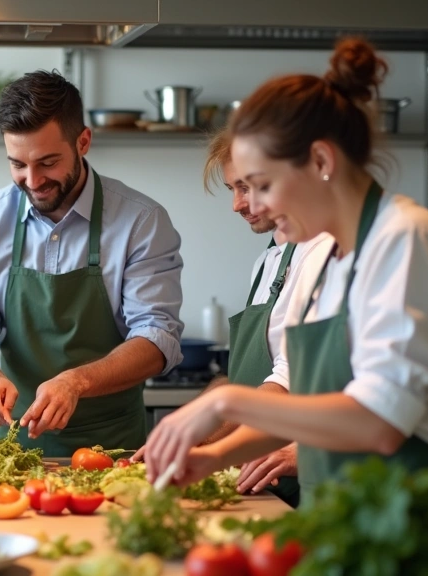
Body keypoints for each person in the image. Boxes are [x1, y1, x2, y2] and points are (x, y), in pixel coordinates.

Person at [142, 38, 428, 506]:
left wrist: (224, 402)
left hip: (411, 519)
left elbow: (379, 423)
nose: (252, 206)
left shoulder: (405, 241)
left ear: (321, 161)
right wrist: (213, 459)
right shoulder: (320, 262)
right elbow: (293, 404)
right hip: (333, 512)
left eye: (262, 185)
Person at [0, 70, 185, 456]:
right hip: (11, 450)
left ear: (83, 141)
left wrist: (76, 382)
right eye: (18, 164)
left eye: (48, 162)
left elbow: (158, 338)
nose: (33, 180)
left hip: (113, 449)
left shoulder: (141, 221)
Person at [148, 130, 332, 508]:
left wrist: (212, 445)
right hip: (259, 471)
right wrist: (196, 438)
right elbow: (243, 380)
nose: (237, 204)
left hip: (300, 470)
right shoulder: (266, 264)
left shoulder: (324, 255)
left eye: (248, 187)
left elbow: (287, 380)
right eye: (234, 188)